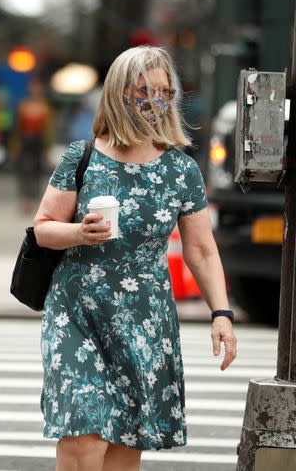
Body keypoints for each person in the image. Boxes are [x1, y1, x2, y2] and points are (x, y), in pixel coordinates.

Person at [33, 46, 237, 471]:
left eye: (164, 92)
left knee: (125, 443)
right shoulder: (82, 156)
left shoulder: (182, 171)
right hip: (76, 314)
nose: (155, 101)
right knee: (83, 431)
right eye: (143, 91)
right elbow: (43, 228)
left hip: (144, 319)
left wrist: (221, 312)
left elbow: (201, 249)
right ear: (119, 94)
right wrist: (79, 232)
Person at [15, 76, 52, 214]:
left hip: (39, 142)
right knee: (24, 171)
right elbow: (17, 127)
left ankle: (35, 200)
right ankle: (25, 200)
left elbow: (48, 130)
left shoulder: (45, 107)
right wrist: (16, 144)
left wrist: (47, 148)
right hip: (25, 141)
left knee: (37, 171)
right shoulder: (23, 105)